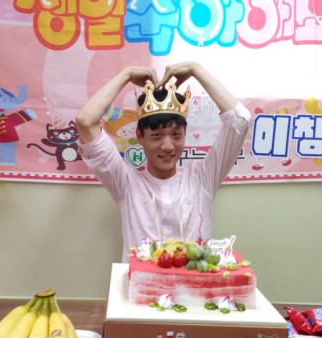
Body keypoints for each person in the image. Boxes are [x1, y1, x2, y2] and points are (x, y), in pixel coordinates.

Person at [75, 61, 250, 262]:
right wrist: (127, 73)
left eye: (176, 135)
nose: (168, 146)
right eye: (157, 135)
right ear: (139, 136)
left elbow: (240, 120)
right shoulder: (125, 181)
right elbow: (85, 121)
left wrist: (196, 70)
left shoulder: (202, 178)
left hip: (194, 281)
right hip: (140, 282)